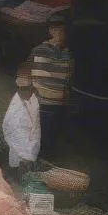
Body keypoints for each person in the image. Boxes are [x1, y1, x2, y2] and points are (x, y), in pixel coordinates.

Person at [29, 16, 73, 158]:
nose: (60, 34)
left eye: (63, 31)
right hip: (41, 103)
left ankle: (46, 155)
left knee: (49, 136)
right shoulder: (39, 50)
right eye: (57, 30)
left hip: (56, 105)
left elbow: (67, 81)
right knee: (41, 135)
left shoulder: (70, 54)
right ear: (50, 31)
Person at [3, 66, 40, 177]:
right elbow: (10, 124)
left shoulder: (34, 100)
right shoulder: (17, 103)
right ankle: (18, 172)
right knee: (18, 150)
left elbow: (36, 124)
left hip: (30, 132)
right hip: (20, 131)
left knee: (28, 149)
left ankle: (23, 170)